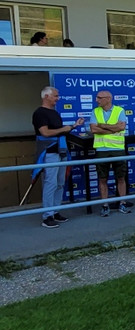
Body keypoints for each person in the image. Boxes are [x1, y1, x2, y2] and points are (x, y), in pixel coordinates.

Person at [33, 87, 85, 228]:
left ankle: (55, 211)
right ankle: (47, 216)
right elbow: (45, 133)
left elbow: (60, 131)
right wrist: (65, 128)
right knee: (51, 183)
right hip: (49, 152)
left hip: (61, 151)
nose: (58, 98)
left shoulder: (54, 112)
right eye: (55, 96)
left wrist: (74, 126)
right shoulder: (39, 113)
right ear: (46, 96)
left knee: (60, 182)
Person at [89, 90, 131, 216]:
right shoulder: (95, 111)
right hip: (102, 150)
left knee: (121, 178)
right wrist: (112, 128)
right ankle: (105, 206)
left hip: (118, 150)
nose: (97, 100)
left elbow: (121, 127)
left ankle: (122, 203)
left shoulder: (119, 110)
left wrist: (102, 125)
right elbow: (93, 129)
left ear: (108, 99)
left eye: (99, 98)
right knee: (102, 179)